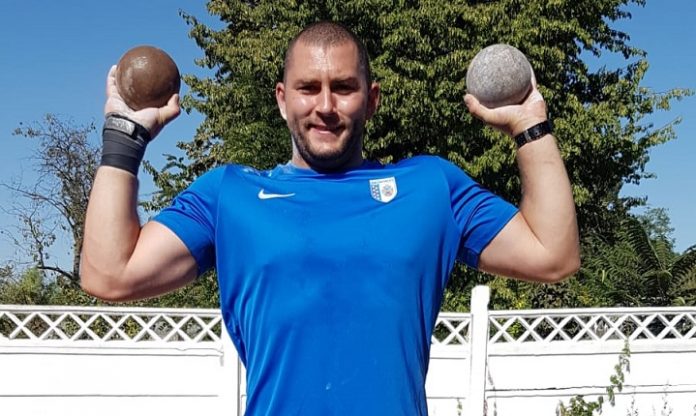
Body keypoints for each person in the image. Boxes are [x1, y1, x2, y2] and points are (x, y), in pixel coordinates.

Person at [82, 21, 579, 415]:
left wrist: (530, 125)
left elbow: (553, 254)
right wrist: (124, 136)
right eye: (308, 88)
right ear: (283, 100)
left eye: (343, 88)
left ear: (372, 99)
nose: (324, 106)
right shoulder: (229, 195)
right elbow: (108, 273)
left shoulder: (431, 188)